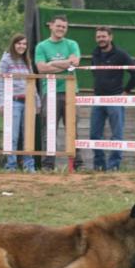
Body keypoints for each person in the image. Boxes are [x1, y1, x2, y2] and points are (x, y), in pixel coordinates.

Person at [35, 15, 83, 171]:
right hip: (50, 92)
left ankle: (77, 164)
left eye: (64, 27)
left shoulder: (72, 44)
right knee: (49, 129)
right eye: (58, 26)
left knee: (72, 129)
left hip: (70, 91)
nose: (61, 29)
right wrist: (66, 64)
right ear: (51, 26)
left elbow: (75, 62)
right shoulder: (41, 46)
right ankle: (48, 165)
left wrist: (53, 63)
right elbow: (41, 68)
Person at [89, 26, 135, 171]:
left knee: (117, 135)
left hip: (115, 98)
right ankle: (99, 166)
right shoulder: (95, 53)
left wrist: (127, 91)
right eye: (98, 37)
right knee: (94, 135)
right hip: (98, 99)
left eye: (104, 36)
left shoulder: (120, 55)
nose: (101, 39)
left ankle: (114, 166)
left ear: (110, 37)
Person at [0, 33, 39, 173]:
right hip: (12, 101)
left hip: (28, 101)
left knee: (28, 135)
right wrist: (1, 102)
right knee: (12, 136)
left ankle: (29, 165)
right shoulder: (6, 60)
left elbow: (32, 81)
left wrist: (37, 101)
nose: (22, 46)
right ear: (13, 44)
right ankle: (11, 165)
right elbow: (0, 82)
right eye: (19, 43)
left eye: (24, 44)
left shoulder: (27, 60)